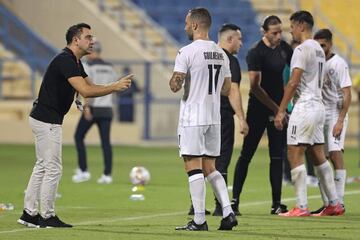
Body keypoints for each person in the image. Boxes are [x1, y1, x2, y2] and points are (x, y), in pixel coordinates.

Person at [17, 23, 133, 228]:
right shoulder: (66, 60)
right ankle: (47, 216)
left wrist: (78, 94)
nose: (92, 41)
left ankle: (29, 214)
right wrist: (114, 87)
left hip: (42, 117)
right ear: (75, 40)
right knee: (53, 168)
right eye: (88, 37)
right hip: (47, 120)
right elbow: (88, 91)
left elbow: (87, 87)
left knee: (42, 166)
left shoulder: (74, 61)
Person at [170, 8, 237, 231]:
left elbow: (174, 85)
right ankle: (228, 212)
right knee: (211, 167)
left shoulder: (186, 52)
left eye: (187, 23)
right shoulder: (221, 53)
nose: (185, 26)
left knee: (193, 166)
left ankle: (199, 219)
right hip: (213, 117)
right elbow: (227, 88)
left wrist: (181, 79)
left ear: (196, 25)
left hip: (193, 117)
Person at [274, 11, 344, 217]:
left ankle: (301, 206)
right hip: (319, 106)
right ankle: (333, 203)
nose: (291, 30)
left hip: (305, 106)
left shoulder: (302, 49)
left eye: (293, 26)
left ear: (302, 25)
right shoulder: (318, 49)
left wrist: (280, 110)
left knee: (294, 152)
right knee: (318, 155)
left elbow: (293, 82)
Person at [231, 15, 292, 215]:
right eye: (274, 33)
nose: (278, 36)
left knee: (277, 157)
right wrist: (278, 110)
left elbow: (294, 75)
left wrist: (284, 108)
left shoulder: (285, 49)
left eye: (280, 32)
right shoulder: (255, 53)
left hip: (279, 110)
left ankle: (276, 204)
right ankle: (234, 201)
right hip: (258, 109)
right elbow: (256, 87)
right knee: (246, 154)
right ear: (264, 32)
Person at [311, 28, 352, 214]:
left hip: (335, 113)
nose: (320, 49)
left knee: (335, 154)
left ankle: (340, 201)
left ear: (330, 44)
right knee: (320, 158)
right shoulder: (316, 62)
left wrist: (341, 120)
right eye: (317, 46)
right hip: (320, 113)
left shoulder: (338, 63)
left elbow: (347, 93)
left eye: (323, 45)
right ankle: (328, 202)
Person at [212, 23, 249, 216]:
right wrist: (242, 119)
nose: (241, 43)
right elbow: (232, 90)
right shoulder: (230, 61)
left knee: (202, 158)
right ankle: (221, 206)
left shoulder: (207, 55)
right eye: (239, 39)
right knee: (222, 160)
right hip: (223, 114)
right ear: (229, 39)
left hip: (204, 114)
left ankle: (196, 205)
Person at [72, 41, 118, 184]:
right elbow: (114, 86)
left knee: (78, 136)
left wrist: (86, 108)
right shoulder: (110, 67)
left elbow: (87, 89)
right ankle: (107, 175)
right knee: (105, 142)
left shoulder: (88, 65)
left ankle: (83, 170)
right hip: (107, 109)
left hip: (93, 108)